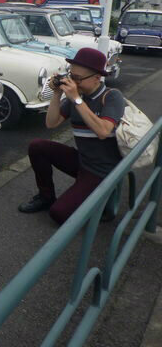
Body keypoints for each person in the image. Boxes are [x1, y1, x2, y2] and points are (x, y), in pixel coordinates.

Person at [18, 47, 125, 224]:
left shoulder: (112, 96)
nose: (73, 82)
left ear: (97, 77)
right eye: (71, 75)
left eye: (78, 78)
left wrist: (76, 99)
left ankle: (100, 201)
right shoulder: (76, 97)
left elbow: (103, 131)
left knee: (59, 214)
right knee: (37, 146)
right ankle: (46, 197)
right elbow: (51, 123)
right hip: (82, 161)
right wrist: (57, 93)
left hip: (102, 171)